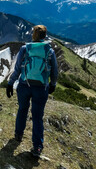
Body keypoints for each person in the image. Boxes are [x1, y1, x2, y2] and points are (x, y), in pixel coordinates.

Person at [6, 25, 58, 157]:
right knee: (37, 117)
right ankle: (37, 147)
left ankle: (18, 134)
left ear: (34, 34)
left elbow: (17, 69)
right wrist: (52, 84)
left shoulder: (25, 48)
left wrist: (10, 83)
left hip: (24, 85)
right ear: (45, 36)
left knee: (22, 109)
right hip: (41, 87)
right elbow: (55, 71)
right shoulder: (49, 51)